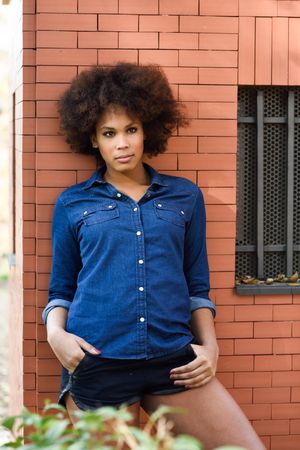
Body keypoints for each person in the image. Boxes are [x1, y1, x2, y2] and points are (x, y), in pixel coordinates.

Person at [42, 62, 265, 450]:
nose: (122, 144)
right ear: (93, 139)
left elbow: (197, 284)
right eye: (109, 133)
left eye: (131, 130)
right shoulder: (73, 203)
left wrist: (210, 348)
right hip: (97, 360)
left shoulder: (185, 197)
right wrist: (55, 334)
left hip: (173, 361)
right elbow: (62, 286)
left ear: (147, 130)